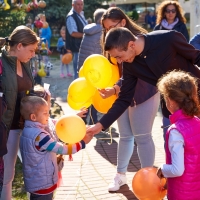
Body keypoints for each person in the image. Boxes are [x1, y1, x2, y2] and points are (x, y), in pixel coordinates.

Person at [86, 27, 200, 162]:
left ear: (131, 45)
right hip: (172, 109)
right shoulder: (130, 65)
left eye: (119, 56)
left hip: (196, 97)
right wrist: (100, 125)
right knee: (179, 152)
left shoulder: (169, 38)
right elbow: (124, 99)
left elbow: (197, 57)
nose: (119, 61)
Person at [98, 7, 160, 192]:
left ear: (123, 22)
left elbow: (136, 73)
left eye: (112, 26)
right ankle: (120, 176)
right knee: (125, 136)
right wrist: (113, 88)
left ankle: (149, 180)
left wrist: (116, 88)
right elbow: (118, 72)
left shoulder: (140, 41)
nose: (108, 32)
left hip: (144, 92)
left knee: (142, 137)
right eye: (106, 28)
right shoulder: (111, 42)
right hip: (122, 93)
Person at [19, 96, 92, 199]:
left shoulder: (28, 130)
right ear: (33, 117)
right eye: (45, 113)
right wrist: (82, 143)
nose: (48, 115)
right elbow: (62, 149)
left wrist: (73, 118)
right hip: (43, 185)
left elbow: (54, 123)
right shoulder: (40, 137)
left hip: (36, 182)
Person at [0, 25, 39, 200]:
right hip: (6, 126)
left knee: (15, 170)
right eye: (31, 50)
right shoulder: (2, 63)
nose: (33, 54)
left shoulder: (24, 63)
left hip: (23, 124)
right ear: (19, 46)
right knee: (6, 174)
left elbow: (24, 89)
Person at [156, 70, 200, 199]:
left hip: (181, 194)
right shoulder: (197, 122)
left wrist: (163, 169)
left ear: (170, 101)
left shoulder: (176, 131)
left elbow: (177, 169)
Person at [77, 8, 106, 125]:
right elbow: (102, 51)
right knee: (95, 92)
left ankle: (83, 118)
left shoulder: (88, 30)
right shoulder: (101, 31)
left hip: (83, 67)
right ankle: (93, 119)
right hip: (95, 68)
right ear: (101, 19)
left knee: (86, 93)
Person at [66, 0, 88, 80]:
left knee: (82, 70)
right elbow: (73, 33)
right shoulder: (71, 16)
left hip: (81, 47)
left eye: (81, 4)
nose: (80, 6)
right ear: (73, 5)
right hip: (76, 48)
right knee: (78, 72)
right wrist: (86, 35)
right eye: (78, 4)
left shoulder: (80, 14)